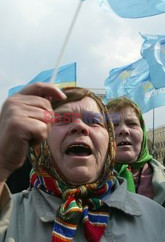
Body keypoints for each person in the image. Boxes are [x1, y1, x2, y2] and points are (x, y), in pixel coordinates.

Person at [0, 83, 165, 242]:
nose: (79, 126)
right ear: (41, 142)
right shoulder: (8, 215)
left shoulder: (158, 218)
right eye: (63, 119)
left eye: (93, 121)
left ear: (110, 143)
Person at [107, 97, 165, 207]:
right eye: (113, 125)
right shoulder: (84, 184)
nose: (124, 130)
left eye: (131, 123)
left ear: (143, 131)